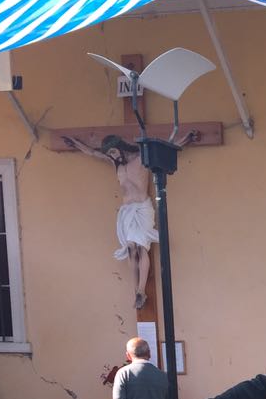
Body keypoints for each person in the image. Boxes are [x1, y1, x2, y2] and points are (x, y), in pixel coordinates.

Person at [63, 131, 197, 308]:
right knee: (131, 249)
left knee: (141, 247)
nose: (112, 156)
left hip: (142, 209)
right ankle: (137, 292)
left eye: (113, 151)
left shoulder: (141, 158)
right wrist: (76, 143)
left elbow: (164, 149)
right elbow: (93, 153)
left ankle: (141, 289)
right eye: (109, 153)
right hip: (127, 211)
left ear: (120, 147)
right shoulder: (115, 162)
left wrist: (187, 139)